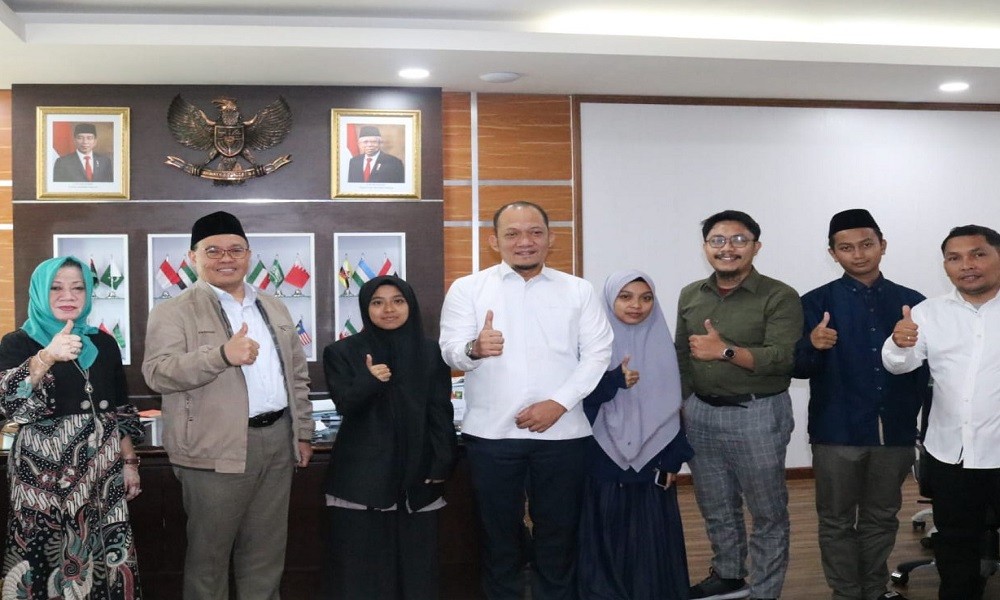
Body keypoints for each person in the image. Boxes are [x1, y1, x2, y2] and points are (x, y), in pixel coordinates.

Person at [439, 200, 613, 600]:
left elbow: (598, 354)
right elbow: (449, 350)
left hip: (564, 435)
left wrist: (559, 404)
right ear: (494, 241)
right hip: (492, 436)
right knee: (498, 537)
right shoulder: (468, 289)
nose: (525, 242)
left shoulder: (579, 290)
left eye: (535, 232)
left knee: (560, 536)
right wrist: (474, 348)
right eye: (512, 234)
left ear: (551, 239)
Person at [142, 210, 313, 600]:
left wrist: (302, 432)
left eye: (236, 249)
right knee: (209, 560)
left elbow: (297, 374)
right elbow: (158, 373)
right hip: (212, 451)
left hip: (277, 442)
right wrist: (221, 355)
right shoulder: (174, 311)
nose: (226, 258)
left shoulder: (274, 306)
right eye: (213, 250)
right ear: (193, 257)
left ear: (248, 256)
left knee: (266, 556)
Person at [794, 209, 928, 600]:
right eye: (846, 248)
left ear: (882, 245)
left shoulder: (913, 303)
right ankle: (846, 592)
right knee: (836, 520)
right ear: (832, 253)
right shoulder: (814, 303)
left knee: (881, 518)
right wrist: (811, 345)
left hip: (895, 431)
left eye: (867, 244)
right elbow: (797, 368)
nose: (858, 254)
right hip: (836, 431)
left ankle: (874, 588)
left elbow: (926, 371)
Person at [675, 209, 803, 600]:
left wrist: (724, 351)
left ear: (755, 247)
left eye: (739, 240)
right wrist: (681, 406)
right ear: (705, 247)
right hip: (700, 413)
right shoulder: (691, 294)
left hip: (757, 414)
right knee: (716, 504)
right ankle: (729, 574)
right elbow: (681, 355)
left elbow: (783, 358)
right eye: (718, 240)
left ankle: (764, 590)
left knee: (767, 511)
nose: (727, 248)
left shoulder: (779, 295)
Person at [0, 256, 143, 599]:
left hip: (102, 470)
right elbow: (6, 403)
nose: (68, 295)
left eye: (78, 287)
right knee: (45, 554)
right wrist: (47, 356)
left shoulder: (103, 343)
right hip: (43, 475)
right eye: (56, 288)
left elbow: (119, 407)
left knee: (104, 553)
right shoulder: (18, 342)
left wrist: (129, 462)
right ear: (39, 292)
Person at [882, 224, 1000, 600]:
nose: (967, 265)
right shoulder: (928, 313)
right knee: (955, 548)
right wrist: (899, 344)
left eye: (978, 254)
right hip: (952, 454)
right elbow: (898, 364)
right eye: (954, 258)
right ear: (945, 266)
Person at [322, 275, 456, 599]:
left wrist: (443, 461)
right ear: (365, 308)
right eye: (377, 302)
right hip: (362, 478)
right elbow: (345, 405)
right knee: (364, 572)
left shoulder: (430, 352)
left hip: (418, 475)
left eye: (398, 301)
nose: (389, 309)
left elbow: (440, 410)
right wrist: (369, 381)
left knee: (417, 569)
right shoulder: (341, 351)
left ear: (410, 305)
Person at [578, 270, 693, 600]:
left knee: (650, 535)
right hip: (601, 453)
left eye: (646, 298)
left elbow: (673, 405)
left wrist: (673, 458)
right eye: (625, 297)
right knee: (604, 530)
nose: (636, 305)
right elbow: (577, 401)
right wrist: (613, 381)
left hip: (654, 456)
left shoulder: (664, 347)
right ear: (609, 301)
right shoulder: (590, 346)